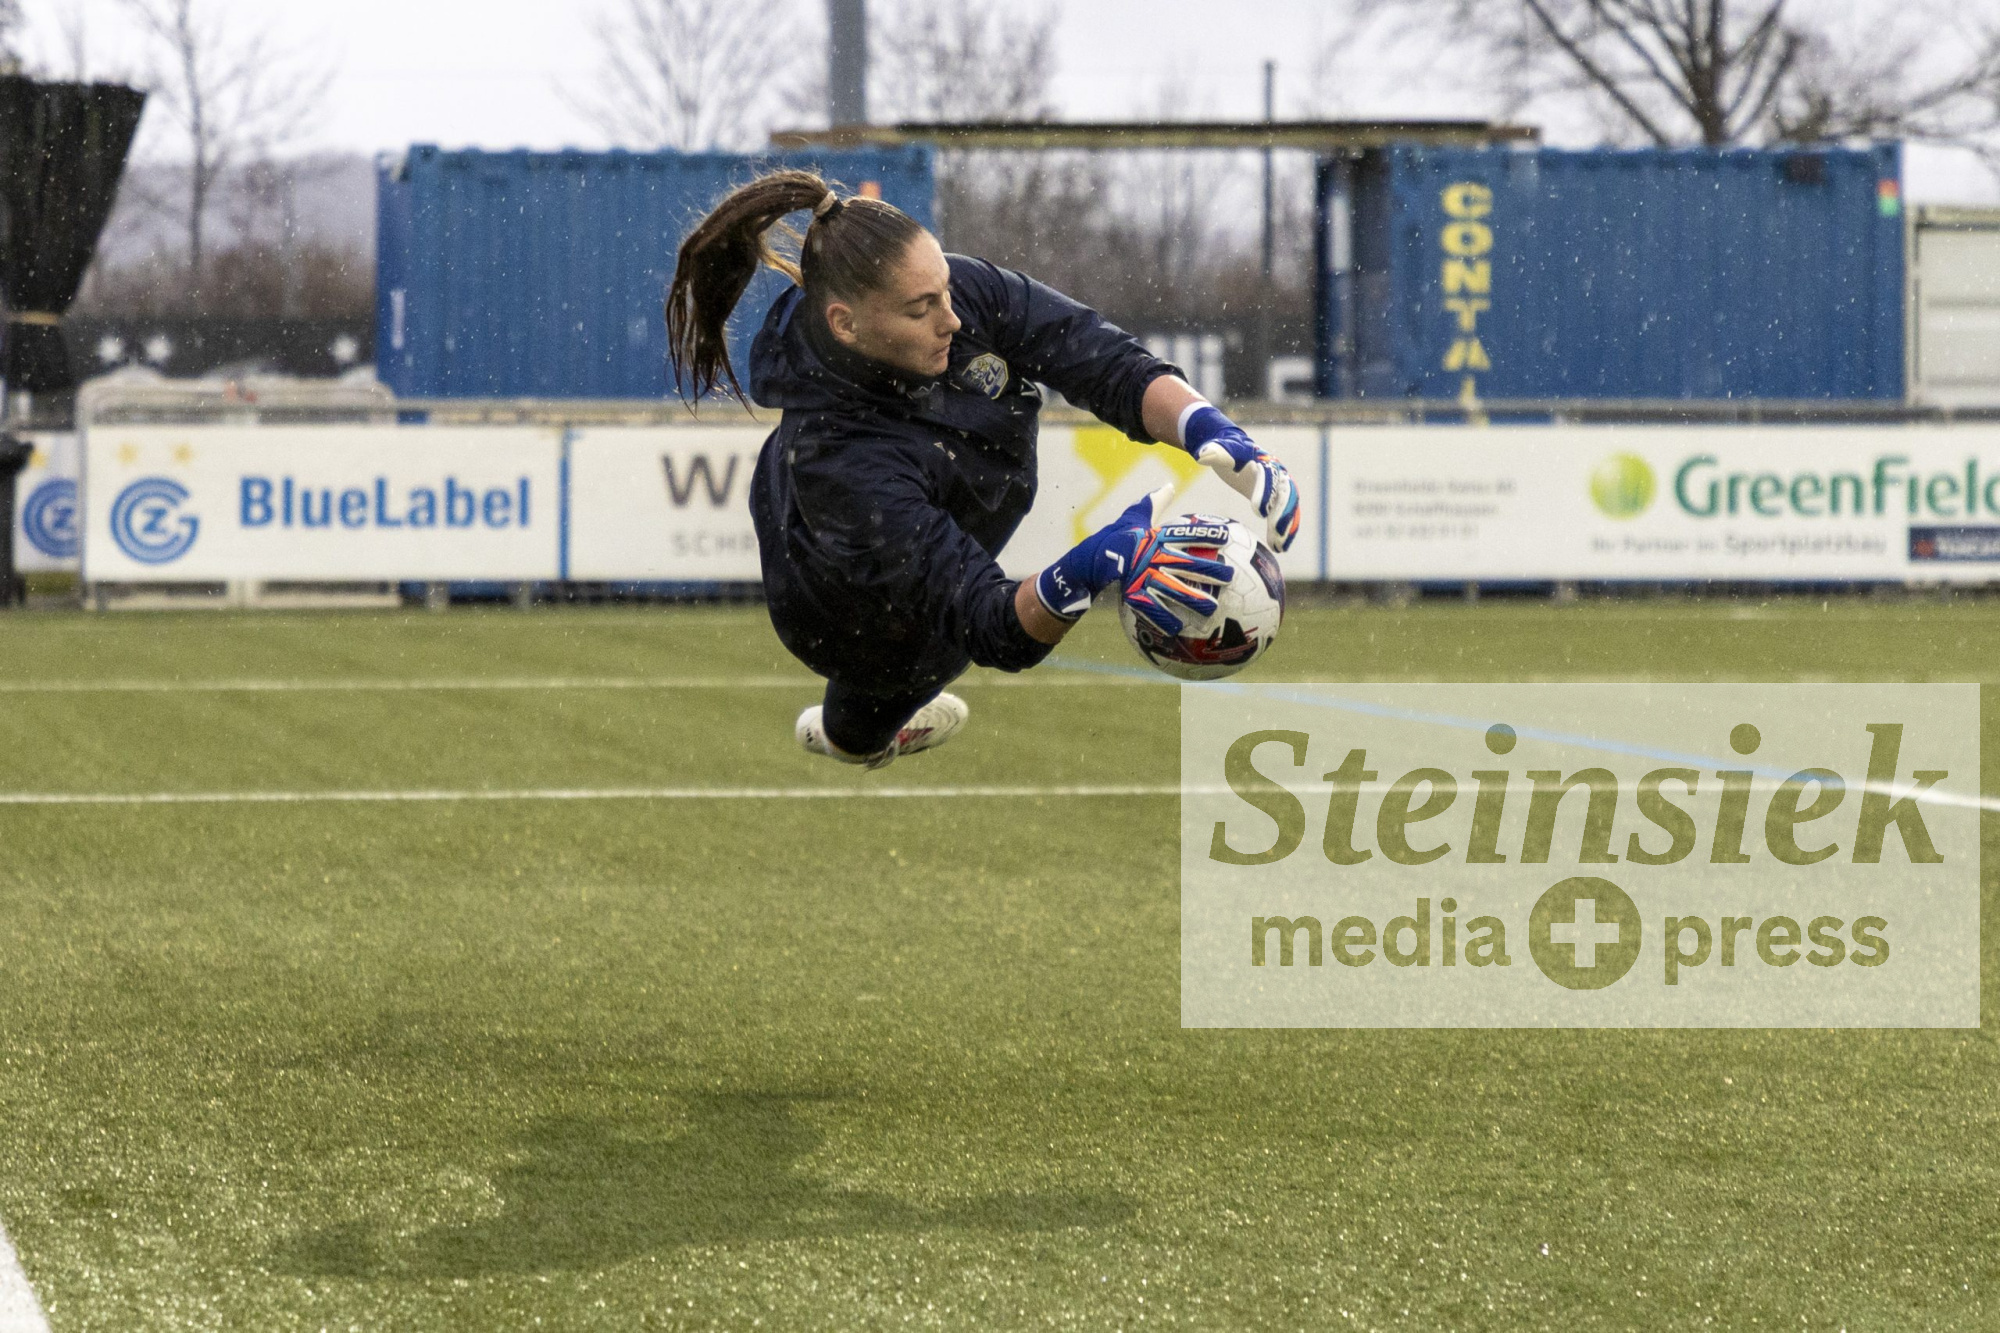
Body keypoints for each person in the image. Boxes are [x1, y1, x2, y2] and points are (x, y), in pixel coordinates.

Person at [665, 169, 1300, 769]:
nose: (953, 318)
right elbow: (995, 627)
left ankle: (854, 730)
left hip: (944, 518)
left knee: (907, 664)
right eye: (921, 308)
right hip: (842, 613)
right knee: (897, 669)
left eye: (944, 289)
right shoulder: (841, 462)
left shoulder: (955, 294)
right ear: (846, 324)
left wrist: (1207, 426)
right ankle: (853, 733)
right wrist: (1087, 567)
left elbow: (1102, 360)